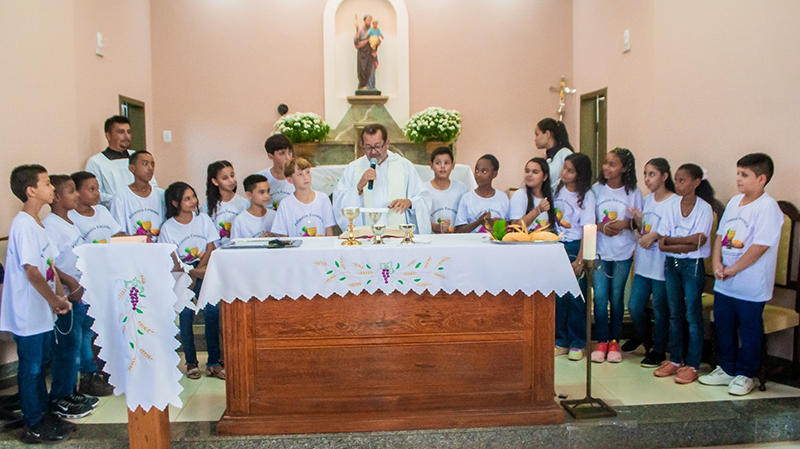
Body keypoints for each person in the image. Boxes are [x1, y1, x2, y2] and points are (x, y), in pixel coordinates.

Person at [1, 165, 75, 443]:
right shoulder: (22, 225)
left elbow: (49, 266)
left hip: (42, 308)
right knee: (31, 367)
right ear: (31, 191)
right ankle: (33, 423)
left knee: (40, 363)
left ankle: (43, 415)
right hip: (27, 310)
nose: (52, 188)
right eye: (46, 184)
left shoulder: (38, 224)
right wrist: (53, 298)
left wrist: (59, 296)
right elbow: (31, 271)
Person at [700, 153, 784, 395]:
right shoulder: (736, 202)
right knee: (724, 325)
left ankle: (746, 373)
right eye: (738, 173)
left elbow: (760, 246)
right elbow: (720, 236)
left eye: (744, 175)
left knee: (748, 329)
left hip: (750, 283)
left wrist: (733, 269)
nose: (738, 179)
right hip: (725, 280)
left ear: (761, 179)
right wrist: (716, 264)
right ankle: (726, 369)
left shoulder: (768, 208)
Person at [653, 164, 717, 384]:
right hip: (672, 264)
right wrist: (682, 242)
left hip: (694, 266)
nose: (678, 185)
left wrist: (674, 241)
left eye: (683, 181)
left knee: (692, 315)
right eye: (677, 180)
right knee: (674, 314)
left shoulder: (704, 208)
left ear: (696, 183)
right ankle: (676, 360)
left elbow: (699, 241)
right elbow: (662, 242)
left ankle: (693, 364)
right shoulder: (671, 207)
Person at [41, 175, 99, 420]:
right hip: (64, 298)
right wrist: (69, 282)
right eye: (71, 191)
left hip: (78, 296)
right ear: (56, 197)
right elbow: (49, 264)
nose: (77, 195)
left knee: (75, 344)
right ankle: (60, 397)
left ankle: (71, 391)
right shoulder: (50, 225)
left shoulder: (69, 222)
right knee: (66, 348)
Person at [158, 182, 223, 380]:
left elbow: (211, 247)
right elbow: (171, 258)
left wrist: (196, 271)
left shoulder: (203, 219)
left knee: (212, 310)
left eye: (193, 196)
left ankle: (213, 362)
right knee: (186, 315)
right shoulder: (168, 227)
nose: (193, 201)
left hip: (202, 271)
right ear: (175, 202)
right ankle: (191, 362)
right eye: (187, 198)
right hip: (182, 276)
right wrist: (191, 274)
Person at [68, 171, 120, 396]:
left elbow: (118, 235)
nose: (97, 193)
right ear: (76, 193)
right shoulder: (71, 218)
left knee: (108, 324)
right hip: (86, 281)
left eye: (97, 188)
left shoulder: (102, 212)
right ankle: (89, 374)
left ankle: (109, 367)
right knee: (88, 329)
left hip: (109, 276)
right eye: (91, 189)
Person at [590, 147, 642, 364]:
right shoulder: (595, 190)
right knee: (600, 298)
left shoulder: (633, 192)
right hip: (601, 251)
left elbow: (640, 223)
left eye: (612, 164)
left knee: (617, 298)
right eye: (605, 163)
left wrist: (627, 223)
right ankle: (601, 341)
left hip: (622, 252)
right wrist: (601, 227)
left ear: (625, 168)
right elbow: (587, 218)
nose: (606, 167)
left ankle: (614, 342)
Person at [625, 158, 677, 368]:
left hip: (661, 263)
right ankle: (641, 335)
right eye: (645, 174)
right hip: (644, 262)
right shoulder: (646, 200)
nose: (647, 179)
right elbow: (642, 228)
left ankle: (658, 349)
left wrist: (655, 235)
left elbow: (672, 228)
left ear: (665, 176)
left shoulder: (674, 202)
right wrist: (637, 222)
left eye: (652, 174)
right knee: (635, 306)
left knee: (660, 309)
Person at [333, 124, 431, 233]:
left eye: (377, 146)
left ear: (387, 143)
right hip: (366, 236)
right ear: (362, 146)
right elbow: (339, 203)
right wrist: (359, 187)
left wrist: (409, 202)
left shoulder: (404, 166)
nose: (373, 152)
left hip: (398, 235)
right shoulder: (353, 168)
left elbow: (424, 198)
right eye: (368, 147)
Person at [553, 153, 596, 361]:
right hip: (557, 244)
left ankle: (577, 342)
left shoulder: (587, 195)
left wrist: (580, 260)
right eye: (564, 168)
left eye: (570, 170)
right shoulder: (557, 189)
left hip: (576, 245)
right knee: (560, 296)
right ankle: (560, 340)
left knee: (577, 296)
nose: (564, 173)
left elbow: (587, 228)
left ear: (580, 174)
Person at [85, 115, 157, 208]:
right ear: (108, 136)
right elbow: (95, 193)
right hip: (113, 211)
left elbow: (152, 184)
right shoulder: (96, 162)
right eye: (121, 132)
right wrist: (122, 199)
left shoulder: (138, 157)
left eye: (129, 132)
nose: (126, 136)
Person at [272, 157, 336, 237]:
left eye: (308, 172)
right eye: (300, 174)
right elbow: (282, 235)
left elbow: (328, 230)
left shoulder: (323, 198)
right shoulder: (285, 204)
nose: (306, 177)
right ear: (290, 180)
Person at [110, 150, 165, 241]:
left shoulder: (161, 195)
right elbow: (118, 233)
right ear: (132, 168)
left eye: (152, 164)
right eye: (145, 164)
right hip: (133, 250)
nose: (150, 168)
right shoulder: (120, 197)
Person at [454, 154, 509, 233]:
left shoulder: (502, 198)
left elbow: (510, 225)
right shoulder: (467, 198)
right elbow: (459, 230)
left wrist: (501, 223)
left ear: (494, 174)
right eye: (476, 170)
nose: (478, 175)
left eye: (484, 171)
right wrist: (478, 222)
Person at [201, 160, 248, 246]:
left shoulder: (244, 203)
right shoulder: (207, 207)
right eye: (225, 178)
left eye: (232, 176)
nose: (231, 180)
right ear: (215, 181)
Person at [424, 147, 467, 234]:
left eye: (446, 163)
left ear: (453, 166)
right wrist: (435, 226)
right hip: (432, 238)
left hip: (457, 238)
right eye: (438, 163)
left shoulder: (461, 188)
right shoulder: (424, 189)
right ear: (431, 166)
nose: (442, 166)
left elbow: (465, 216)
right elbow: (420, 218)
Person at [509, 158, 555, 232]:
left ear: (545, 177)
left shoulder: (551, 196)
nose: (529, 175)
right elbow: (516, 227)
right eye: (527, 171)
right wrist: (537, 210)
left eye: (535, 172)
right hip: (525, 242)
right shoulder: (520, 194)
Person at [231, 174, 277, 239]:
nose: (267, 196)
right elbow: (235, 247)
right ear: (249, 195)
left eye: (268, 191)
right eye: (261, 192)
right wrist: (259, 241)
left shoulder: (275, 216)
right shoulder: (240, 221)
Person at [534, 118, 574, 191]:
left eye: (537, 134)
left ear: (547, 134)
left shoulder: (565, 154)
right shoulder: (546, 158)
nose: (535, 139)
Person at [257, 134, 295, 211]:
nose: (288, 157)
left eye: (289, 152)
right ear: (270, 156)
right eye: (282, 153)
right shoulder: (261, 178)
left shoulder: (299, 176)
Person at [354, 14, 378, 90]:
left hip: (370, 54)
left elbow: (375, 41)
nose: (369, 22)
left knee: (371, 70)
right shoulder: (360, 30)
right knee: (362, 69)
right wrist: (357, 38)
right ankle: (363, 85)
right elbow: (356, 43)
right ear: (364, 21)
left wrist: (376, 42)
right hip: (362, 54)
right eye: (368, 20)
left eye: (370, 21)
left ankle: (370, 86)